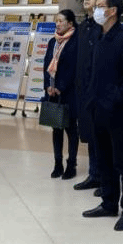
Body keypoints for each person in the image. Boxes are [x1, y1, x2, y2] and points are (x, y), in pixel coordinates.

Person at [82, 0, 123, 231]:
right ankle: (108, 203)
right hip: (97, 109)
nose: (96, 10)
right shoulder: (98, 36)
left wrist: (114, 98)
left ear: (113, 11)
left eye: (100, 6)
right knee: (104, 159)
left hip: (118, 111)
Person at [72, 0, 107, 193]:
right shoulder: (83, 26)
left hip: (98, 91)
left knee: (101, 136)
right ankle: (94, 174)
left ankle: (105, 177)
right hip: (83, 89)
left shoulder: (102, 27)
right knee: (90, 135)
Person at [43, 9, 80, 180]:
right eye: (56, 21)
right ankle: (57, 163)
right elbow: (46, 65)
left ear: (70, 24)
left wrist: (61, 87)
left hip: (69, 92)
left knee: (71, 129)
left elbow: (74, 68)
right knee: (56, 128)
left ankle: (71, 164)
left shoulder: (76, 41)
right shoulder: (53, 41)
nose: (57, 24)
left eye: (61, 21)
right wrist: (48, 86)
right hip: (52, 92)